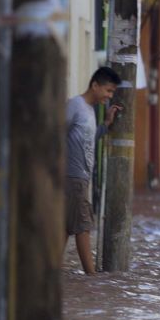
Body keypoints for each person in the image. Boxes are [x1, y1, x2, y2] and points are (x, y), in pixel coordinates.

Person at [65, 67, 122, 274]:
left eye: (112, 93)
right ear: (95, 85)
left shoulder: (89, 111)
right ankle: (91, 277)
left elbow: (88, 141)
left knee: (66, 227)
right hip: (72, 176)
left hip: (81, 177)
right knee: (83, 226)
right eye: (108, 90)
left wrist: (106, 124)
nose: (109, 96)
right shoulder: (75, 105)